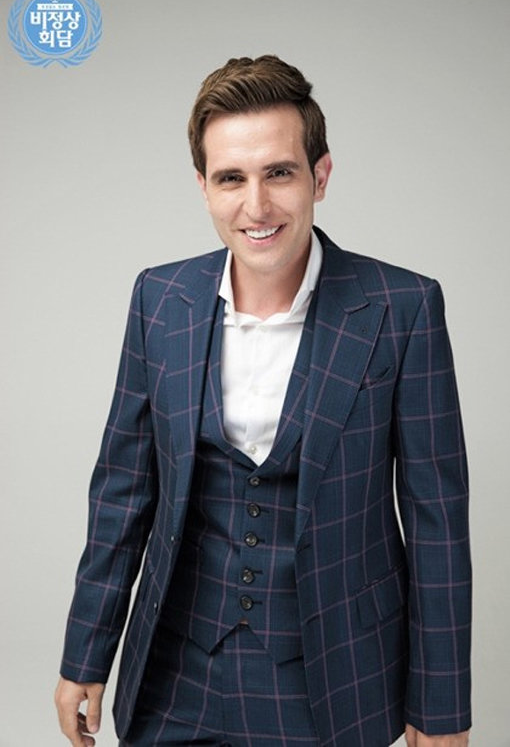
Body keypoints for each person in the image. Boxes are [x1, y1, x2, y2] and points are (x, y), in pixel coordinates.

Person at [55, 55, 472, 747]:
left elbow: (437, 523)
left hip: (335, 679)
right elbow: (122, 494)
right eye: (231, 178)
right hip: (175, 676)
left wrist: (441, 706)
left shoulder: (403, 308)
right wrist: (84, 654)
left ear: (320, 176)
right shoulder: (161, 299)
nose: (256, 206)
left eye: (279, 172)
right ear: (203, 187)